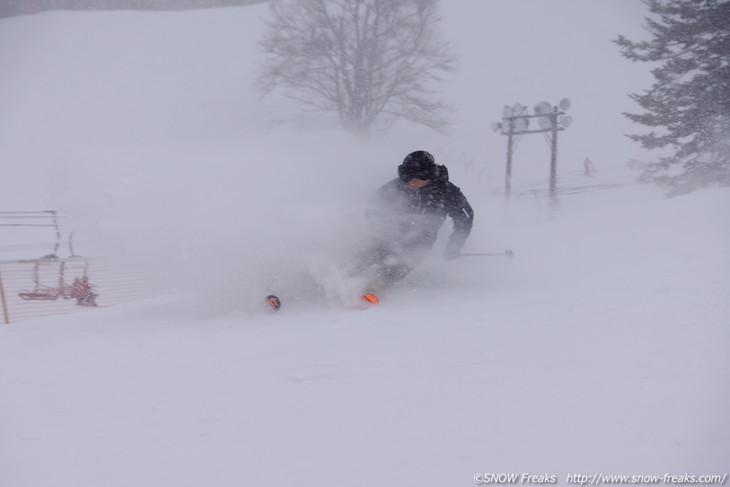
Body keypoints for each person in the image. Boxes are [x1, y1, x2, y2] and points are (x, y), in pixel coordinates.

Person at [351, 150, 474, 294]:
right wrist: (380, 225)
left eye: (416, 178)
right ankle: (338, 277)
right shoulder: (396, 187)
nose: (411, 182)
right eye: (407, 178)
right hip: (391, 232)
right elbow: (373, 209)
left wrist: (454, 245)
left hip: (423, 238)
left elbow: (465, 218)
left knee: (404, 263)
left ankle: (372, 289)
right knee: (372, 254)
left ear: (429, 175)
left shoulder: (446, 191)